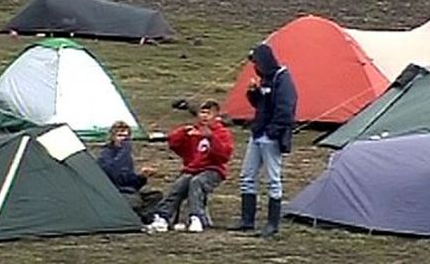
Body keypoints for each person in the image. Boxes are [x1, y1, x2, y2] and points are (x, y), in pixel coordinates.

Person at [233, 43, 297, 238]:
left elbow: (286, 109)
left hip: (270, 137)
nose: (255, 67)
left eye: (257, 62)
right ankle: (247, 220)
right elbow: (261, 105)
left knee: (273, 180)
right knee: (247, 176)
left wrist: (273, 132)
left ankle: (272, 224)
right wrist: (253, 92)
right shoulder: (265, 79)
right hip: (258, 134)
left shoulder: (282, 79)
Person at [148, 99, 234, 233]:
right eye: (202, 113)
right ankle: (162, 217)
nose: (204, 116)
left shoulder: (222, 133)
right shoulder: (192, 131)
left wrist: (211, 138)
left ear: (216, 115)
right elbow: (175, 145)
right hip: (192, 168)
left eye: (208, 113)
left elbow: (223, 156)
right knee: (179, 185)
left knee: (197, 183)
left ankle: (196, 217)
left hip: (213, 169)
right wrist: (183, 133)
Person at [97, 121, 162, 224]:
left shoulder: (126, 156)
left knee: (156, 196)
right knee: (133, 202)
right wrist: (125, 151)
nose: (123, 140)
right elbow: (114, 175)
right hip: (114, 192)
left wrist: (141, 177)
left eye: (126, 137)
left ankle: (142, 217)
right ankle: (142, 218)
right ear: (113, 137)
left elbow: (129, 181)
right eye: (120, 136)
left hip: (129, 190)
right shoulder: (106, 155)